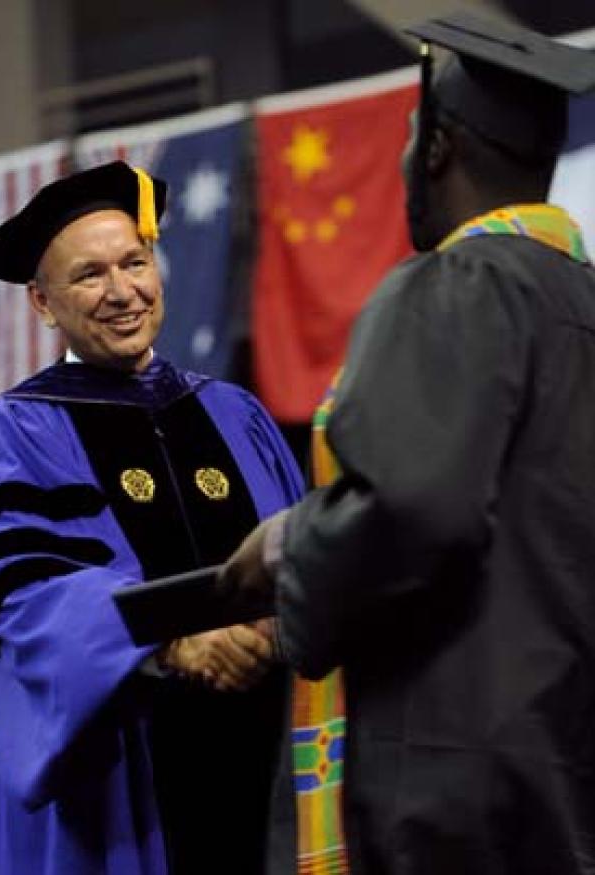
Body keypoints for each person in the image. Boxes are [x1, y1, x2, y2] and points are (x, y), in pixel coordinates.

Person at [220, 13, 595, 875]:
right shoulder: (579, 304)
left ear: (436, 148)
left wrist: (281, 548)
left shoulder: (459, 283)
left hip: (449, 791)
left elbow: (411, 504)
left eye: (404, 138)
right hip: (563, 780)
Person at [0, 160, 303, 875]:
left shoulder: (233, 412)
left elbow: (305, 548)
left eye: (134, 262)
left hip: (270, 752)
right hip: (125, 771)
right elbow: (26, 593)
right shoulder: (12, 433)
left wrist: (275, 628)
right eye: (89, 275)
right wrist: (169, 643)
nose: (122, 292)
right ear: (44, 304)